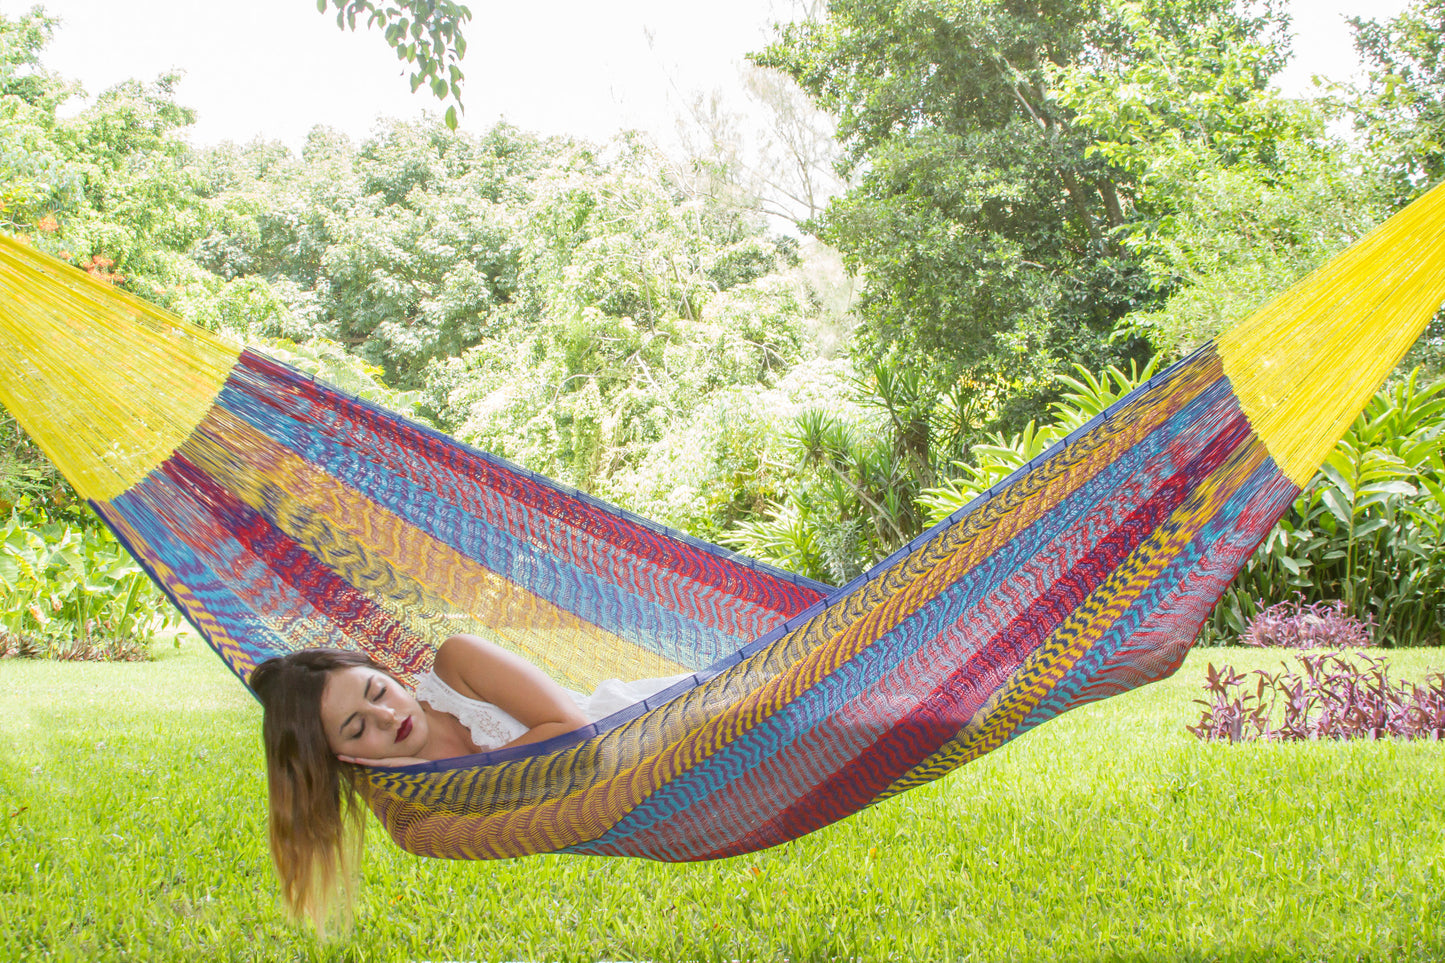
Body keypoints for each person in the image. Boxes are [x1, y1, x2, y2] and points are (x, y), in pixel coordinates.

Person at [248, 634, 687, 927]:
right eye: (357, 728)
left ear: (389, 673)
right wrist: (422, 783)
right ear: (345, 758)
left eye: (378, 692)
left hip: (657, 721)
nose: (386, 717)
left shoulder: (458, 664)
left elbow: (576, 736)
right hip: (651, 795)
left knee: (756, 706)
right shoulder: (408, 809)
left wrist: (452, 779)